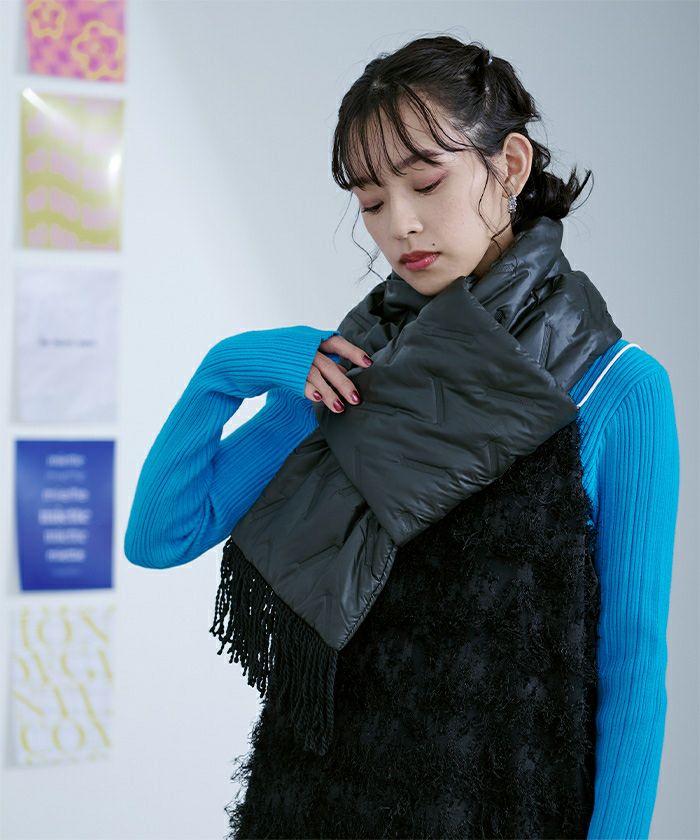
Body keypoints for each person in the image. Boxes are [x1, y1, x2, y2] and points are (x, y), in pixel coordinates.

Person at [124, 35, 680, 839]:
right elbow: (160, 536)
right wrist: (226, 369)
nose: (401, 225)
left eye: (425, 182)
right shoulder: (350, 372)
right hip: (309, 808)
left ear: (510, 166)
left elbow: (632, 667)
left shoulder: (614, 389)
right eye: (371, 202)